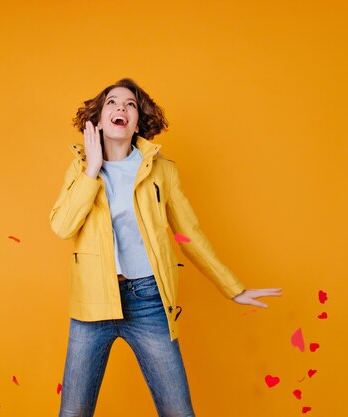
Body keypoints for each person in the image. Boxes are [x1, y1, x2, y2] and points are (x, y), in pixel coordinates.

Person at [49, 78, 282, 417]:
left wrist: (233, 288)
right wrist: (93, 168)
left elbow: (191, 234)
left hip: (148, 301)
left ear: (137, 121)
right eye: (112, 103)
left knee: (178, 412)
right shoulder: (80, 170)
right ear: (98, 120)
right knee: (73, 413)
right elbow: (62, 226)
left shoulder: (162, 172)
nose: (121, 109)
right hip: (92, 304)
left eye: (130, 104)